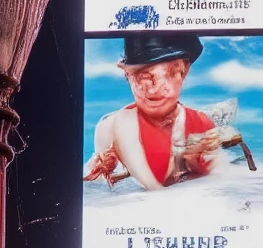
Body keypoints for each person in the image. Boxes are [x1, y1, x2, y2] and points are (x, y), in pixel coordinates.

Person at [85, 33, 222, 196]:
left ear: (184, 72)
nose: (153, 90)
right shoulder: (112, 127)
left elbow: (216, 182)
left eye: (168, 75)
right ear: (127, 76)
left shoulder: (201, 124)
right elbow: (98, 191)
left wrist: (195, 163)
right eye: (142, 78)